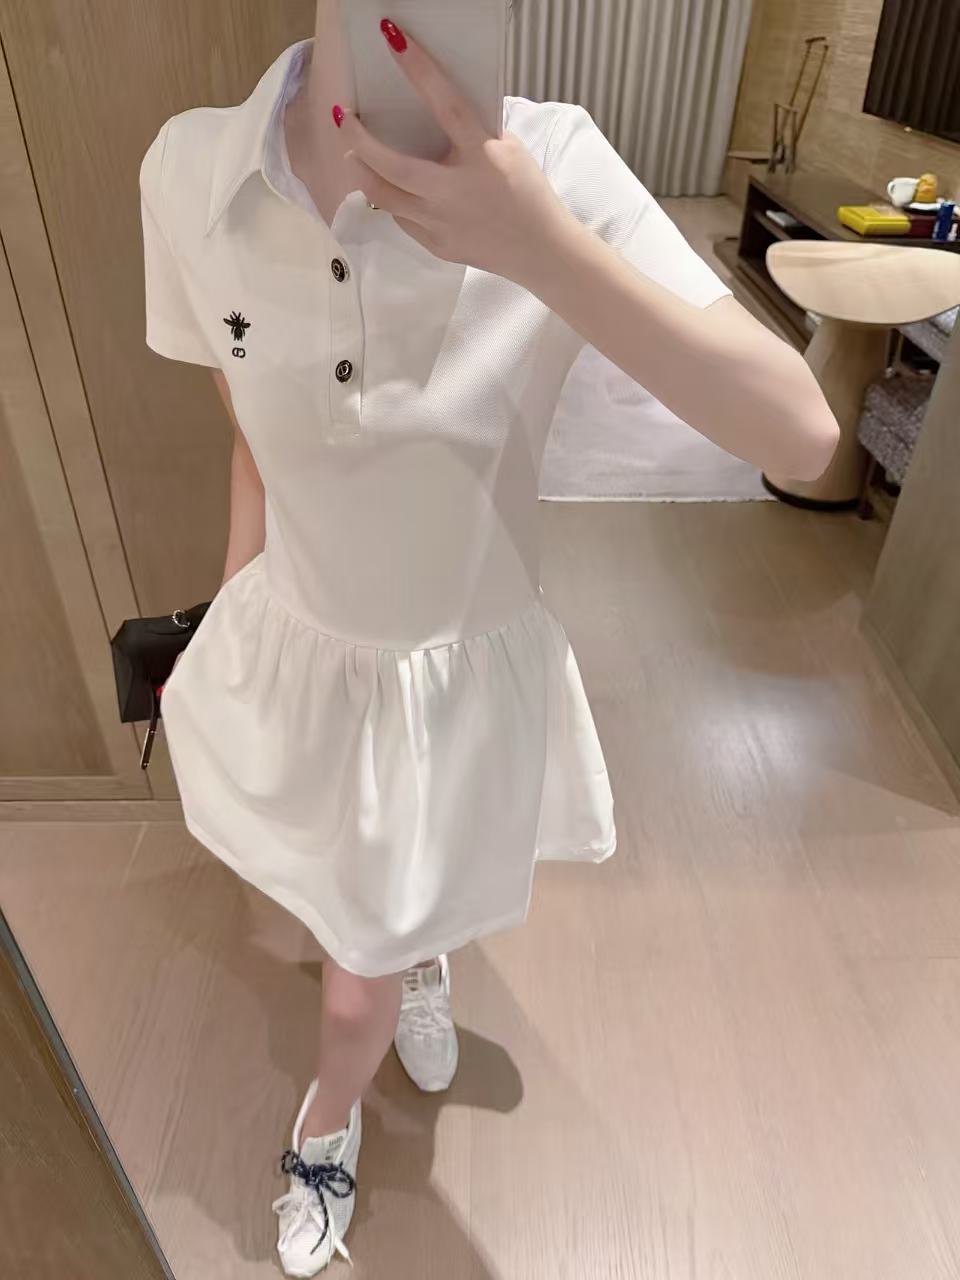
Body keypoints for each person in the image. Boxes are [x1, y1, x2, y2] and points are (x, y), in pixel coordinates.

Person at [139, 5, 839, 1274]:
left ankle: (329, 1110)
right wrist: (228, 604)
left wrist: (543, 249)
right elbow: (250, 430)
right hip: (301, 642)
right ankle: (398, 984)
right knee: (359, 913)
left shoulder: (555, 165)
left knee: (362, 963)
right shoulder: (192, 169)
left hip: (457, 660)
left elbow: (800, 436)